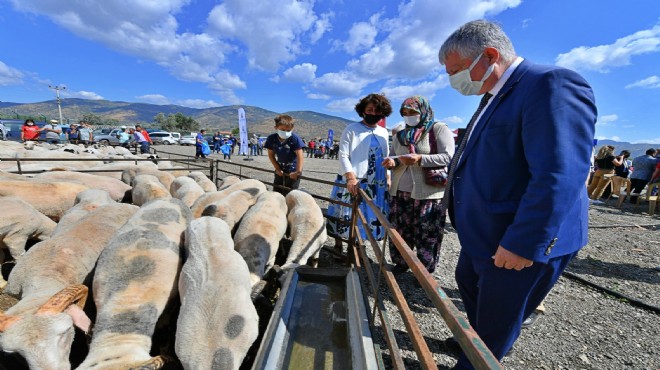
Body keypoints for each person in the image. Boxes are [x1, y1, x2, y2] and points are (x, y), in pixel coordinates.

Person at [438, 20, 596, 367]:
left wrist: (525, 242)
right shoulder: (494, 97)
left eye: (456, 71)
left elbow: (559, 172)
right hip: (486, 233)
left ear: (489, 56)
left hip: (516, 238)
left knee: (497, 319)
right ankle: (479, 339)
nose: (454, 81)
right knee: (469, 281)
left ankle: (481, 355)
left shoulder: (550, 85)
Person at [381, 95, 455, 274]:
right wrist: (393, 162)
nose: (408, 116)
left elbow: (448, 157)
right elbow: (395, 156)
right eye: (404, 113)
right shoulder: (400, 135)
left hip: (428, 193)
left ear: (423, 111)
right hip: (400, 191)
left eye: (412, 112)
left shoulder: (438, 129)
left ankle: (424, 271)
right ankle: (401, 262)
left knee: (427, 234)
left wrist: (420, 158)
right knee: (400, 230)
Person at [326, 93, 391, 248]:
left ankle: (357, 248)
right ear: (363, 110)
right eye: (370, 110)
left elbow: (386, 156)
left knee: (368, 215)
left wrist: (388, 176)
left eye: (377, 111)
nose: (373, 114)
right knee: (346, 212)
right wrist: (350, 177)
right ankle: (339, 245)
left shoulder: (383, 132)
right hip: (355, 179)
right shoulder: (352, 129)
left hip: (376, 182)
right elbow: (343, 154)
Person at [264, 114, 305, 195]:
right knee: (277, 191)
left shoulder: (294, 138)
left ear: (292, 129)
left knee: (290, 193)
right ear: (276, 128)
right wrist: (277, 168)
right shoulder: (271, 139)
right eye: (283, 130)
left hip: (293, 170)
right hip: (280, 168)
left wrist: (298, 172)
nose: (286, 132)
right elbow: (271, 155)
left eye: (288, 130)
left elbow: (300, 156)